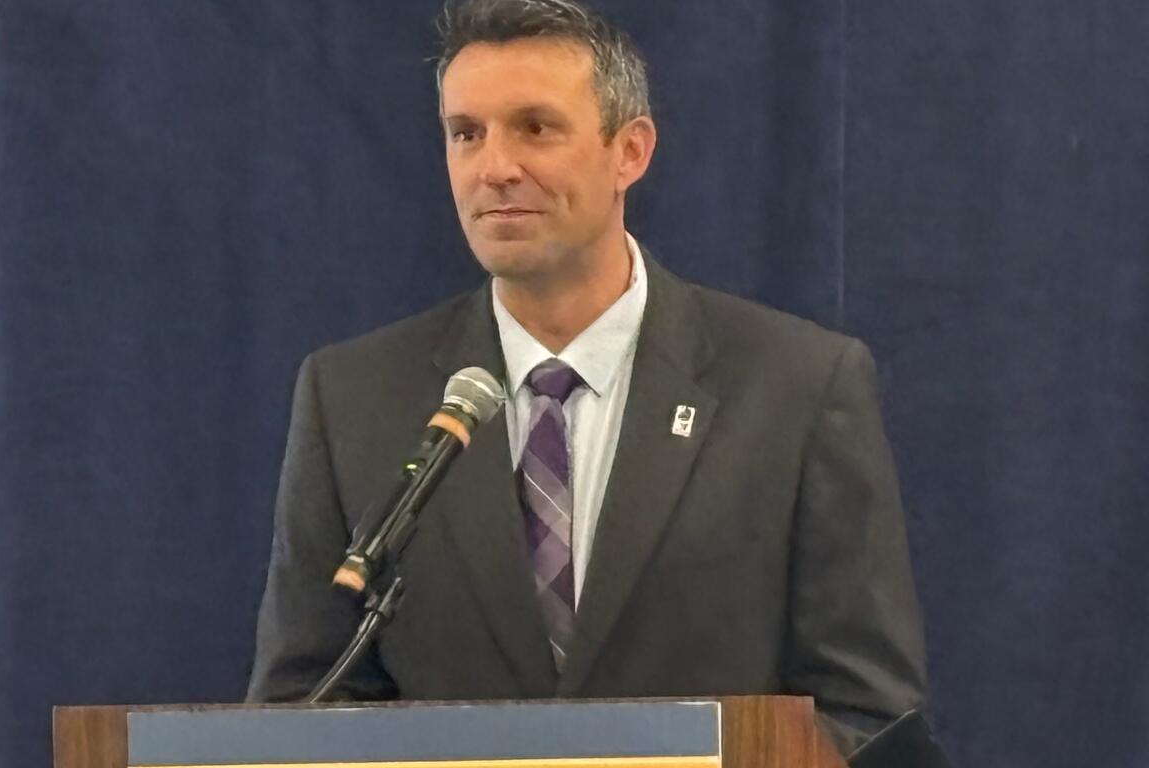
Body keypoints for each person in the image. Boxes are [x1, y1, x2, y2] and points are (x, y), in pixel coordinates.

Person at [247, 0, 926, 755]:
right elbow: (298, 711)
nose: (495, 167)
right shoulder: (352, 399)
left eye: (535, 127)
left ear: (629, 151)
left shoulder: (798, 387)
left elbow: (869, 719)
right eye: (465, 133)